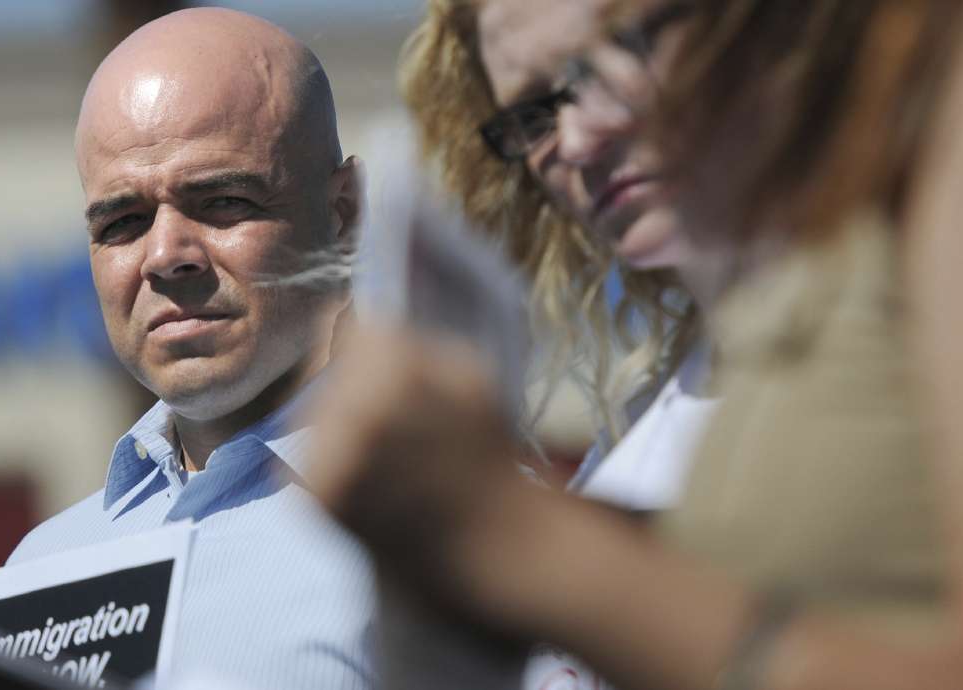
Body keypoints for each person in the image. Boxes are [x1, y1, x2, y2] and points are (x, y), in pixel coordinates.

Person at [310, 1, 963, 689]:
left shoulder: (931, 126)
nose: (580, 136)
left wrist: (515, 534)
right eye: (534, 113)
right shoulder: (714, 354)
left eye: (623, 50)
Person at [6, 8, 372, 690]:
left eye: (223, 200)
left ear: (344, 217)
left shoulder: (454, 534)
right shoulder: (40, 570)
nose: (166, 255)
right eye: (122, 222)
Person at [400, 0, 726, 512]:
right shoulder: (662, 406)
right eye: (534, 115)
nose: (574, 142)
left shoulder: (878, 331)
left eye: (611, 62)